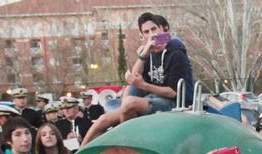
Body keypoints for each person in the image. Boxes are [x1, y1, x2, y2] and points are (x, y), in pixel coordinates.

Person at [81, 13, 193, 145]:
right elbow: (133, 80)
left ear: (162, 29)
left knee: (129, 103)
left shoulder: (175, 53)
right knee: (102, 120)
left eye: (154, 29)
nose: (151, 34)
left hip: (175, 103)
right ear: (142, 36)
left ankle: (125, 144)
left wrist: (143, 86)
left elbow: (173, 92)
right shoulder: (147, 51)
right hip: (151, 99)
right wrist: (143, 55)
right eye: (146, 32)